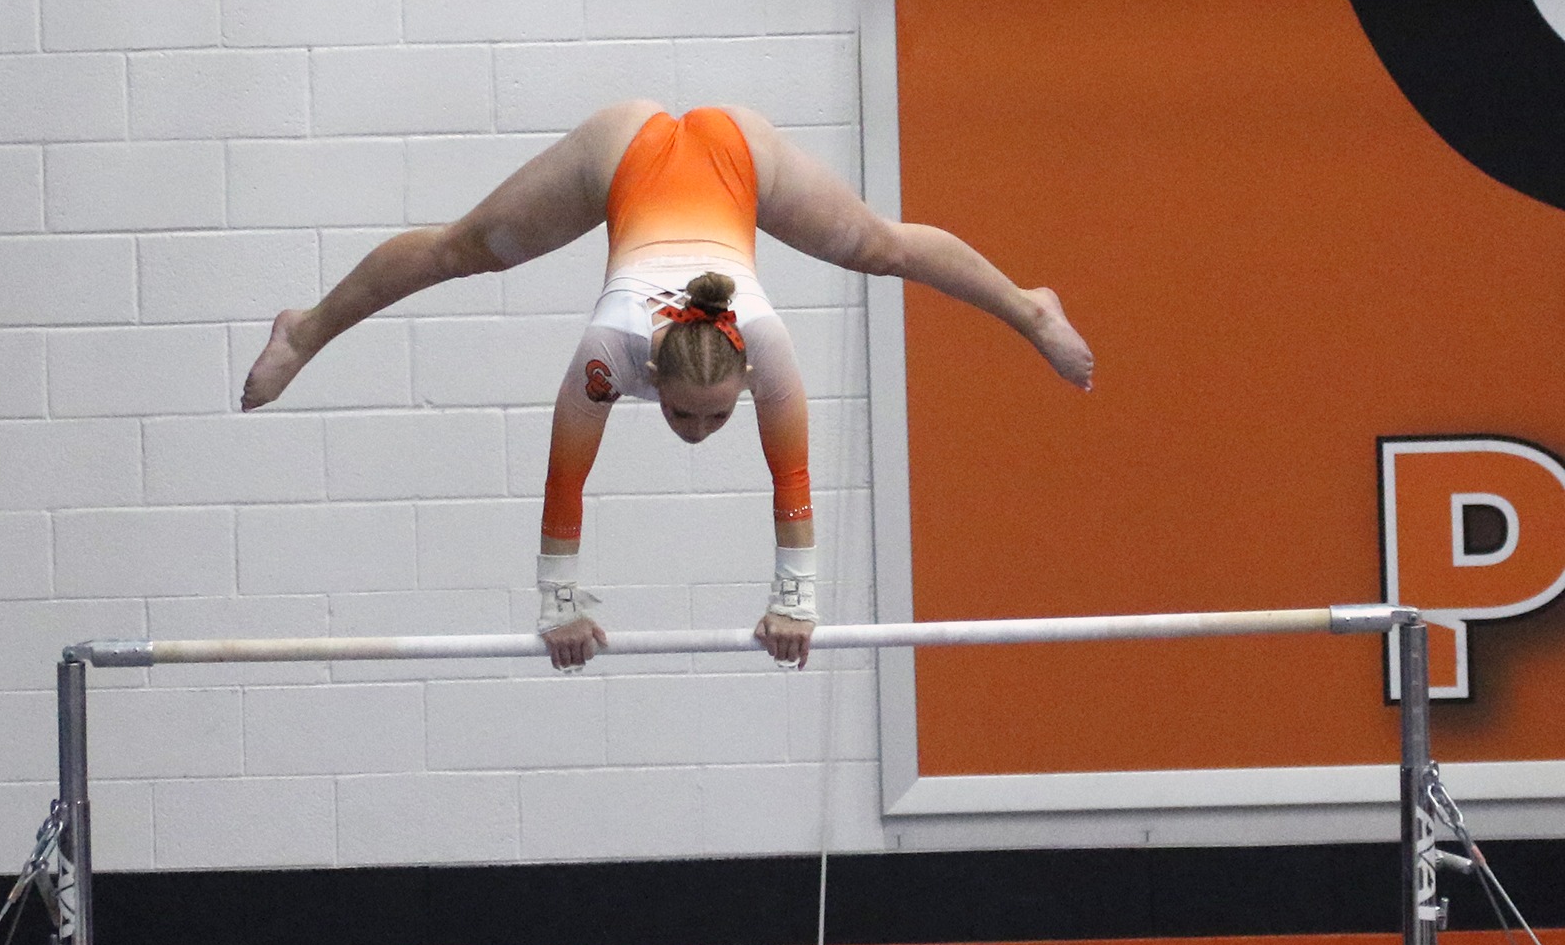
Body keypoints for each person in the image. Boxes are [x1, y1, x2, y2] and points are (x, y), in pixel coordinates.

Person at [240, 100, 1093, 672]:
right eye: (687, 414)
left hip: (735, 152)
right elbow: (564, 478)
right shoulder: (607, 351)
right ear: (649, 378)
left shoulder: (768, 350)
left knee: (875, 245)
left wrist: (793, 602)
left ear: (745, 382)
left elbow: (792, 480)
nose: (693, 428)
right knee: (463, 249)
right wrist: (559, 605)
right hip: (626, 151)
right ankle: (305, 329)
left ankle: (1031, 307)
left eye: (709, 416)